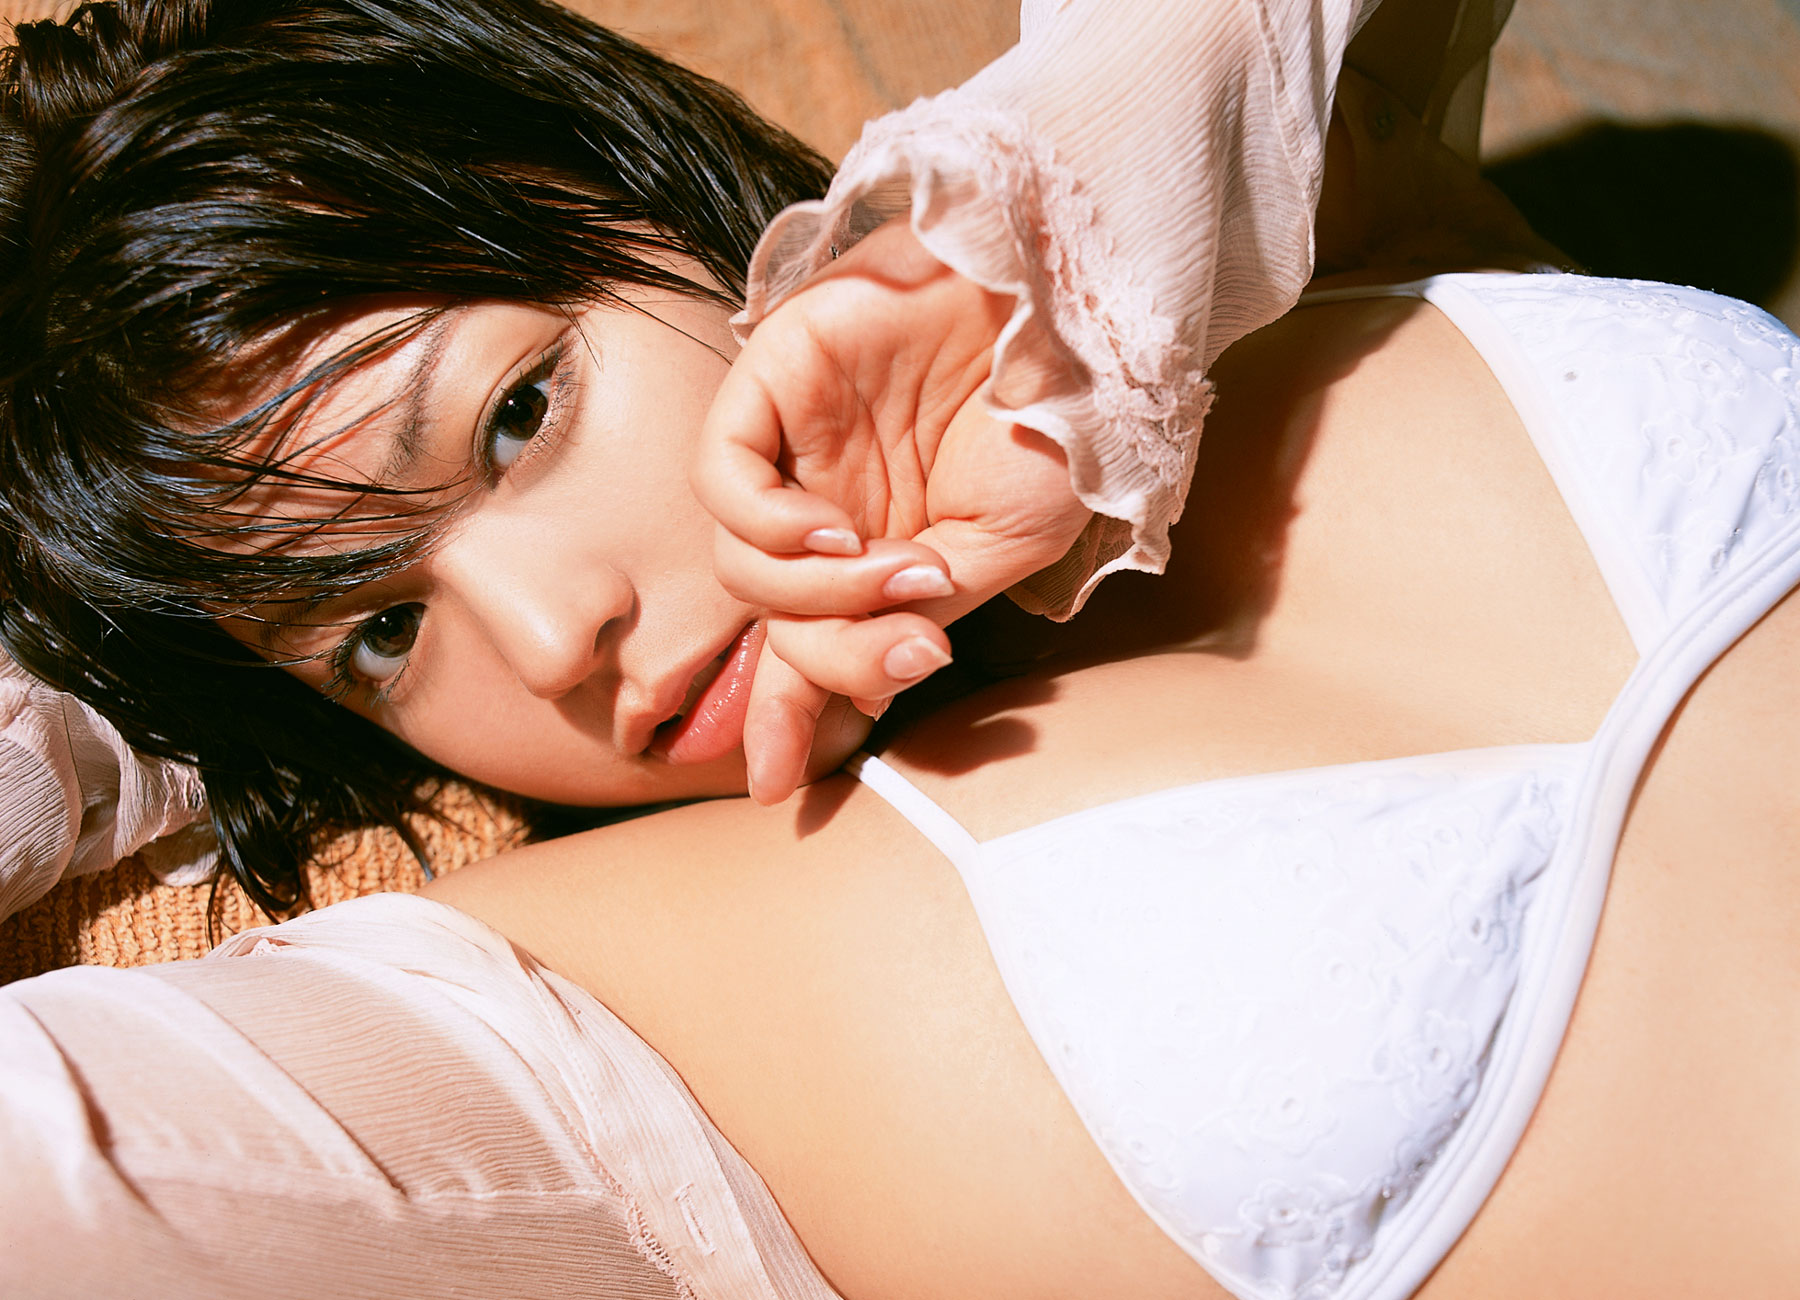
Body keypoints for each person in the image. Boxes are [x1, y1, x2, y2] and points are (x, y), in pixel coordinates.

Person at [6, 0, 1798, 1298]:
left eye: (516, 414)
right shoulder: (602, 1005)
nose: (552, 640)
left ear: (635, 185)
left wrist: (1050, 229)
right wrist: (91, 724)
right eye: (379, 632)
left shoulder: (1252, 243)